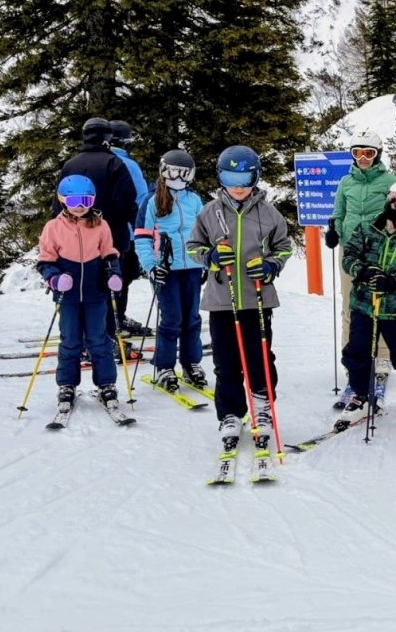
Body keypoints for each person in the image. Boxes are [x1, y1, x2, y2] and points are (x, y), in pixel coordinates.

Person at [187, 146, 292, 449]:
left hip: (258, 298)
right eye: (230, 178)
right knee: (226, 361)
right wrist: (210, 257)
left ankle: (262, 408)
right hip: (222, 299)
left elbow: (283, 247)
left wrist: (271, 266)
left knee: (260, 358)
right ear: (220, 178)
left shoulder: (268, 213)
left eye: (245, 179)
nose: (238, 186)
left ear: (255, 178)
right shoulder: (210, 212)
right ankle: (231, 413)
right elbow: (193, 247)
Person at [336, 179, 396, 434]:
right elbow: (349, 256)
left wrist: (393, 282)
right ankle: (360, 395)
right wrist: (362, 271)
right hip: (364, 305)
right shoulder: (367, 228)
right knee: (358, 350)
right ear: (389, 200)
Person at [37, 174, 124, 414]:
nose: (80, 206)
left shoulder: (101, 225)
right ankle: (67, 384)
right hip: (68, 296)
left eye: (86, 200)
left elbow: (109, 255)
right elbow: (45, 260)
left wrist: (113, 275)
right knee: (70, 341)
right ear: (63, 200)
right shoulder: (53, 227)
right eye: (74, 200)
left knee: (99, 340)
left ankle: (106, 384)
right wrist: (55, 278)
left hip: (96, 294)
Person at [53, 117, 138, 350]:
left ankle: (78, 340)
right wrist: (139, 230)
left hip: (73, 241)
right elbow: (127, 202)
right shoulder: (114, 163)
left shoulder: (70, 165)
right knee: (108, 291)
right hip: (110, 239)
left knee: (80, 289)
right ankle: (105, 339)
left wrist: (56, 235)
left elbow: (57, 204)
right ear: (107, 137)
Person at [325, 130, 396, 408]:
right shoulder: (346, 182)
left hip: (379, 250)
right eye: (358, 153)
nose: (363, 158)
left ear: (377, 155)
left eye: (368, 153)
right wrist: (333, 230)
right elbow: (338, 213)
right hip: (351, 251)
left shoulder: (389, 181)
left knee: (379, 304)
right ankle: (352, 360)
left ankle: (381, 359)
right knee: (351, 306)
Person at [134, 148, 206, 393]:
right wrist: (151, 267)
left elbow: (204, 233)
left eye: (185, 174)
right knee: (172, 319)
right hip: (166, 269)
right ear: (164, 171)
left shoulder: (194, 200)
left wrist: (205, 260)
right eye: (174, 172)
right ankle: (165, 366)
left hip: (192, 267)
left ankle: (191, 363)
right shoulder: (152, 200)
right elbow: (142, 237)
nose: (178, 178)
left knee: (192, 318)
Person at [109, 119, 152, 335]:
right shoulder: (128, 165)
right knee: (122, 278)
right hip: (126, 232)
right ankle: (117, 318)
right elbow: (141, 199)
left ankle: (106, 319)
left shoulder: (96, 161)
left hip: (97, 233)